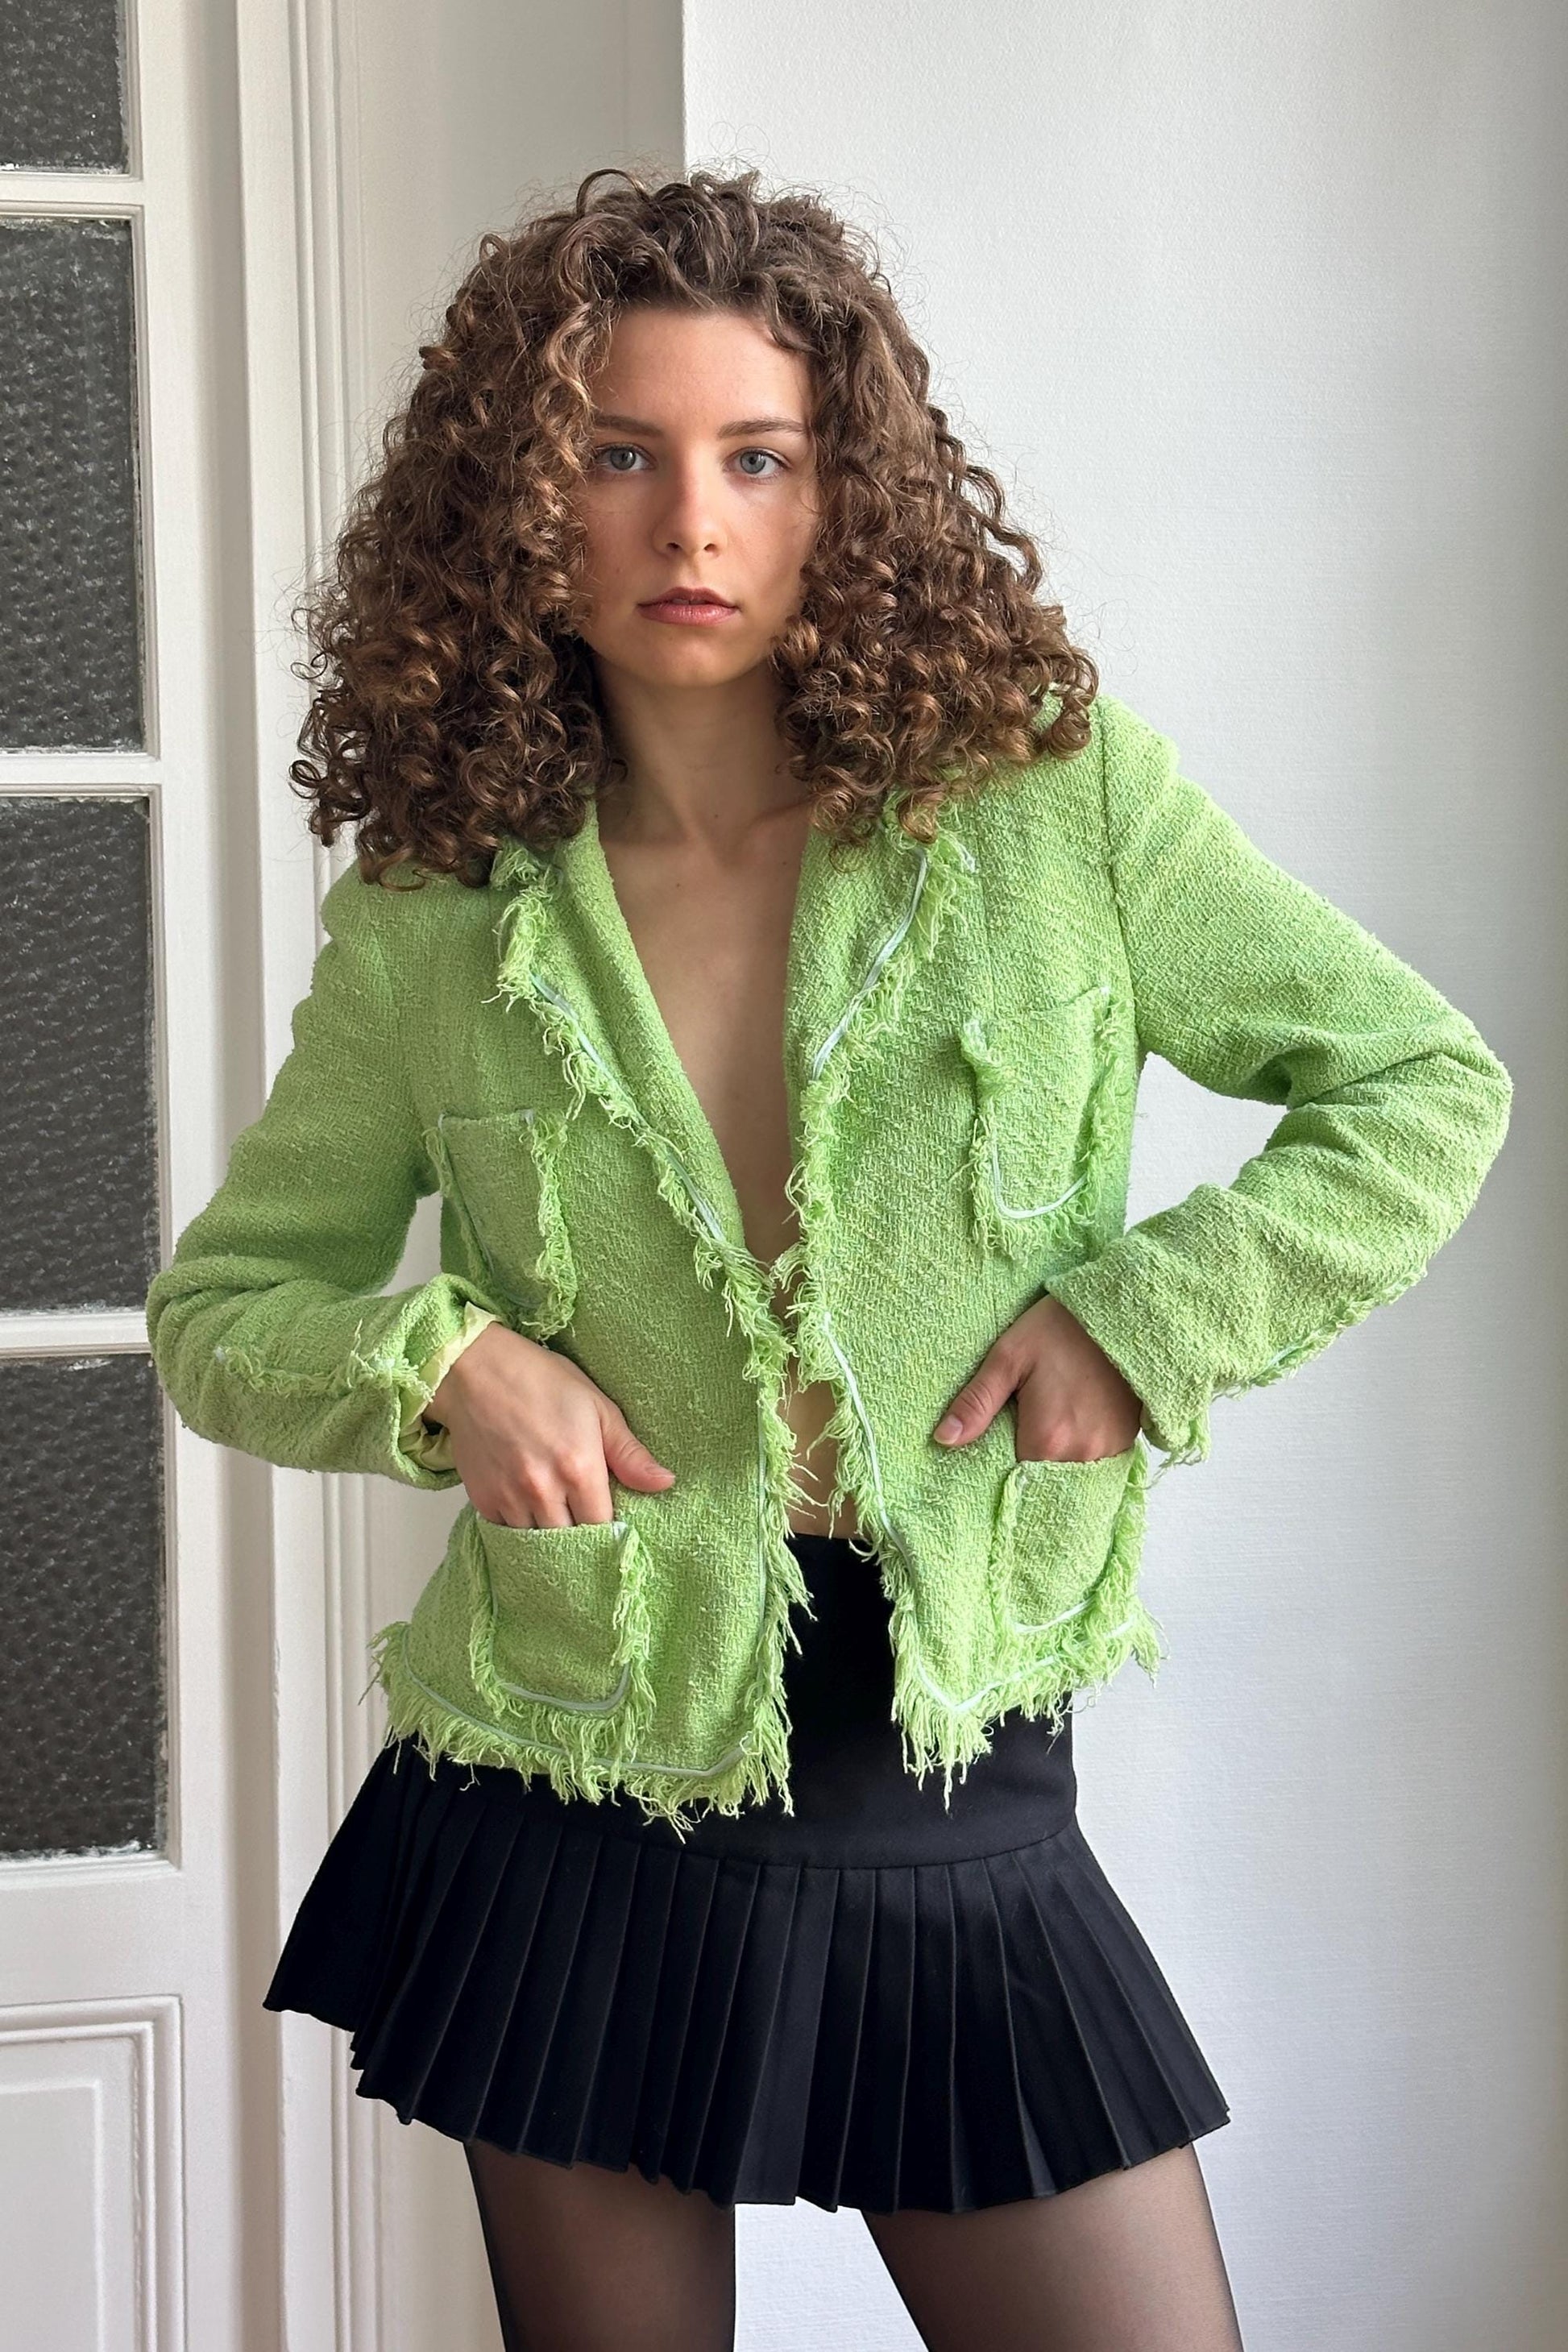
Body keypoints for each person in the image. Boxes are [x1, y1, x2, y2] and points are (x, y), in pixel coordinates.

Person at [144, 166, 1512, 2351]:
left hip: (938, 1762)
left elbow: (1419, 1087)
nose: (692, 522)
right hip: (564, 1772)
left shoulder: (1050, 808)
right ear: (517, 505)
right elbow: (227, 1317)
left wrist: (1144, 1319)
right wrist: (440, 1365)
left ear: (839, 488)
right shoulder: (440, 914)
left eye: (757, 458)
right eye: (618, 455)